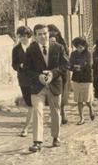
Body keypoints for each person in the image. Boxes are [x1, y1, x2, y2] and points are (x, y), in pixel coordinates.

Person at [24, 24, 69, 153]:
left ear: (49, 34)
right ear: (35, 36)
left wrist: (53, 74)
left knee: (55, 112)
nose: (43, 36)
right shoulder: (31, 50)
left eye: (45, 33)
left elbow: (66, 64)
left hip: (54, 85)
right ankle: (37, 142)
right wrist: (38, 76)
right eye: (40, 34)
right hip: (37, 87)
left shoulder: (58, 48)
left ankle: (55, 137)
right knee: (37, 111)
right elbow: (27, 69)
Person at [12, 26, 33, 137]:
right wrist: (19, 66)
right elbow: (14, 65)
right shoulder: (16, 49)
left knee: (33, 104)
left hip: (36, 80)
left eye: (25, 36)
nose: (23, 39)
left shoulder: (35, 47)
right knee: (30, 103)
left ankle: (26, 128)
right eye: (21, 36)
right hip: (24, 80)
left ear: (29, 36)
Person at [48, 24, 70, 125]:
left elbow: (66, 59)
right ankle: (53, 114)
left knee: (61, 92)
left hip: (61, 72)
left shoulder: (61, 45)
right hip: (49, 72)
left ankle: (62, 112)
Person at [69, 37, 94, 125]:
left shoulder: (88, 54)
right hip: (77, 79)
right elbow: (70, 65)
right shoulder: (73, 54)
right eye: (77, 47)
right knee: (79, 100)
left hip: (86, 78)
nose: (79, 48)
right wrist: (74, 67)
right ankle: (81, 118)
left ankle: (91, 109)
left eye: (81, 47)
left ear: (84, 46)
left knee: (87, 99)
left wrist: (81, 67)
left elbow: (89, 65)